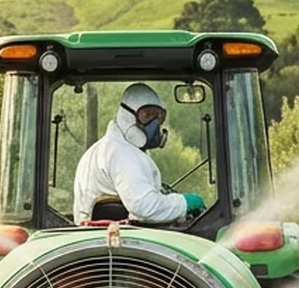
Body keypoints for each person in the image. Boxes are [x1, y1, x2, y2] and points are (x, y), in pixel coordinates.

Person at [72, 83, 205, 225]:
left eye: (157, 116)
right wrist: (185, 203)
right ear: (127, 116)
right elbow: (145, 207)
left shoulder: (98, 150)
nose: (154, 124)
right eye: (147, 115)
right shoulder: (122, 154)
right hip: (119, 241)